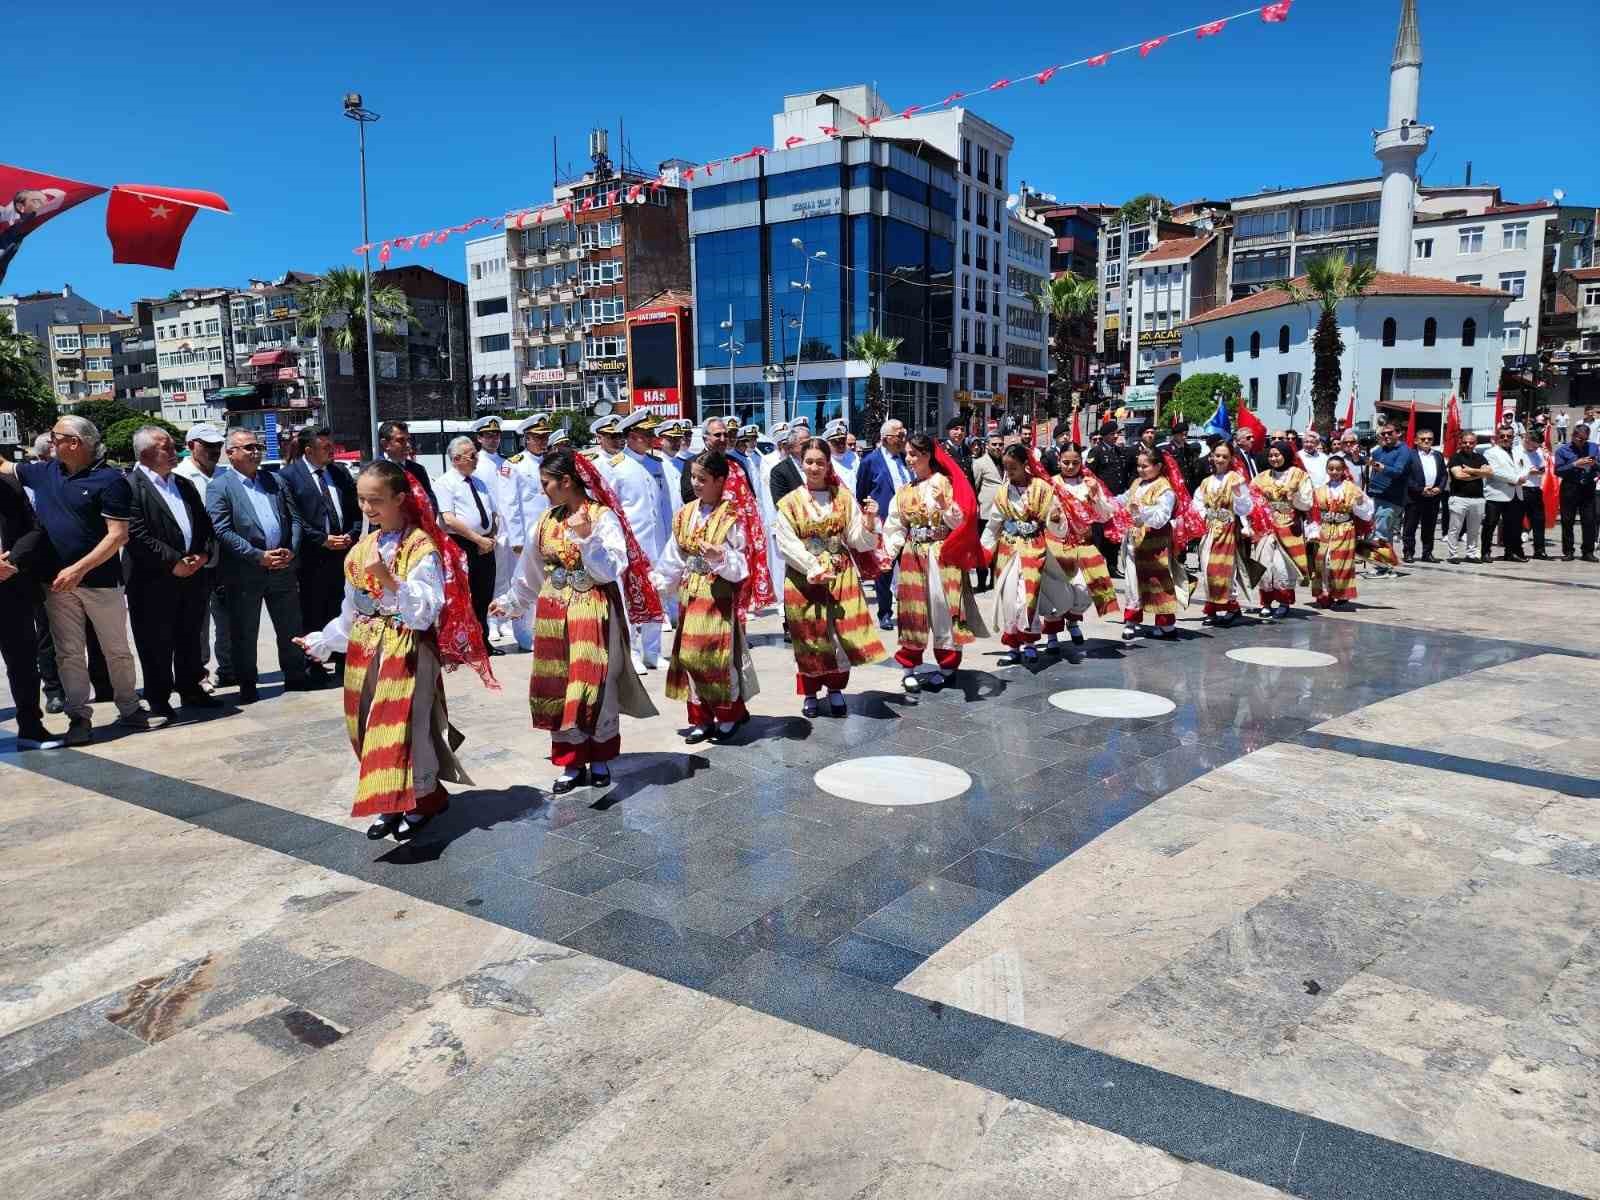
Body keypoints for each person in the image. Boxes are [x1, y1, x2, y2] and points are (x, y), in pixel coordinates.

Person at [295, 460, 493, 840]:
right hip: (366, 650)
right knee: (369, 725)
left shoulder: (421, 546)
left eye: (376, 501)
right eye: (361, 500)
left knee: (407, 726)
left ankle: (422, 800)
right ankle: (390, 799)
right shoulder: (361, 549)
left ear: (400, 499)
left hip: (407, 649)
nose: (367, 509)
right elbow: (353, 611)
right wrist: (322, 640)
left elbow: (424, 610)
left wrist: (388, 578)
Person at [490, 447, 660, 792]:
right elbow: (531, 572)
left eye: (547, 482)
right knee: (558, 685)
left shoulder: (601, 518)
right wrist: (511, 602)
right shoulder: (546, 521)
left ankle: (598, 757)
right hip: (554, 614)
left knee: (593, 684)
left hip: (592, 610)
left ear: (566, 481)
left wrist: (585, 539)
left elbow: (610, 570)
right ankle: (570, 761)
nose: (543, 490)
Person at [2, 416, 149, 744]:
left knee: (116, 649)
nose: (50, 441)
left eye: (56, 436)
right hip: (56, 583)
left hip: (100, 581)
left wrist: (79, 569)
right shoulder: (42, 471)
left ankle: (129, 708)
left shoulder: (110, 480)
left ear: (76, 443)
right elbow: (4, 467)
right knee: (68, 652)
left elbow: (117, 536)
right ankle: (78, 716)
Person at [649, 449, 772, 742]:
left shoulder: (732, 515)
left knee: (717, 658)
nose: (696, 484)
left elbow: (742, 563)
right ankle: (701, 717)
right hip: (692, 594)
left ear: (720, 480)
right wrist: (661, 581)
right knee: (691, 657)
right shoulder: (685, 514)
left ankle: (728, 714)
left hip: (718, 597)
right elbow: (675, 553)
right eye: (693, 477)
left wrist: (721, 557)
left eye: (702, 478)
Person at [774, 438, 886, 716]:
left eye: (820, 462)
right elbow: (787, 544)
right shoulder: (789, 503)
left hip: (841, 574)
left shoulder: (843, 498)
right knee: (809, 636)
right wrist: (813, 567)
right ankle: (810, 693)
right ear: (801, 463)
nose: (814, 467)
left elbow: (858, 540)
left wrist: (870, 522)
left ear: (828, 465)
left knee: (839, 636)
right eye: (809, 461)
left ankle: (835, 688)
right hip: (804, 578)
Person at [207, 427, 314, 703]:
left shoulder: (275, 481)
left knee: (290, 626)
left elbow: (295, 519)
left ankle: (296, 676)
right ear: (230, 454)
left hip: (282, 567)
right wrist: (257, 555)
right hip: (245, 571)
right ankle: (248, 684)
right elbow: (222, 530)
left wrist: (291, 549)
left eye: (257, 447)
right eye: (248, 448)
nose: (255, 452)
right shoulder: (220, 486)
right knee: (244, 631)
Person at [124, 426, 219, 718]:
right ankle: (159, 697)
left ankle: (191, 688)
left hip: (192, 576)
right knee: (156, 643)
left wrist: (203, 554)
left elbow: (203, 524)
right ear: (146, 453)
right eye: (166, 447)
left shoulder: (183, 484)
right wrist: (174, 561)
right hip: (153, 580)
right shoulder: (129, 487)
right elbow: (136, 534)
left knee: (190, 636)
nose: (174, 450)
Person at [880, 434, 986, 692]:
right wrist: (887, 555)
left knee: (942, 608)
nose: (909, 459)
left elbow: (962, 522)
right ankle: (909, 667)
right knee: (912, 609)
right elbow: (895, 526)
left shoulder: (945, 484)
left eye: (914, 454)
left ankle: (947, 666)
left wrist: (945, 505)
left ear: (929, 456)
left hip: (942, 554)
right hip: (912, 554)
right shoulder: (905, 491)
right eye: (907, 453)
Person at [281, 426, 360, 679]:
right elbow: (294, 517)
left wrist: (351, 534)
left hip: (343, 553)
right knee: (313, 609)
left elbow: (355, 510)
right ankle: (313, 662)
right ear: (308, 450)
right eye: (325, 448)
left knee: (343, 607)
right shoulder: (289, 476)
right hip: (313, 556)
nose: (331, 451)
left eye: (331, 446)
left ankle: (343, 658)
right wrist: (322, 539)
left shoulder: (339, 473)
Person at [983, 445, 1074, 661]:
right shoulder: (1002, 492)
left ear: (1025, 465)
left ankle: (1029, 642)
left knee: (1027, 597)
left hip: (1034, 549)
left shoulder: (1042, 488)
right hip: (1008, 550)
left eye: (1013, 467)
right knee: (1008, 599)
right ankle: (1012, 647)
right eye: (1005, 468)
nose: (1009, 472)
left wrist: (1054, 520)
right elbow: (993, 524)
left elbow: (1057, 519)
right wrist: (984, 550)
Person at [1, 464, 60, 748]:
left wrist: (12, 561)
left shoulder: (10, 487)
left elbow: (35, 528)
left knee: (23, 662)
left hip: (11, 586)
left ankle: (31, 726)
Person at [174, 422, 233, 687]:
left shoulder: (226, 474)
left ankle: (229, 667)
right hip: (195, 559)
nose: (213, 451)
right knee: (197, 622)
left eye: (217, 446)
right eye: (207, 446)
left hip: (228, 557)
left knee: (229, 616)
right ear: (190, 447)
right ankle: (199, 674)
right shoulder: (178, 477)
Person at [1118, 447, 1195, 641]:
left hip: (1156, 544)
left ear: (1158, 466)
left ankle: (1165, 624)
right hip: (1134, 541)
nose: (1141, 470)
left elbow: (1161, 517)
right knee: (1132, 581)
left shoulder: (1165, 488)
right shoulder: (1137, 483)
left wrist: (1141, 511)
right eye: (1138, 466)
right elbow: (1123, 500)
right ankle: (1131, 620)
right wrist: (1101, 499)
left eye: (1145, 466)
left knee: (1159, 581)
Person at [434, 435, 501, 651]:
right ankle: (461, 643)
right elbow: (448, 518)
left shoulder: (478, 481)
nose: (476, 459)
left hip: (485, 544)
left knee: (484, 593)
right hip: (462, 544)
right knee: (463, 595)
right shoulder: (446, 483)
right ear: (456, 459)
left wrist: (490, 536)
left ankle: (482, 640)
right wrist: (478, 539)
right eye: (471, 455)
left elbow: (491, 512)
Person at [471, 416, 532, 644]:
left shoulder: (507, 463)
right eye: (488, 435)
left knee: (510, 575)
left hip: (510, 526)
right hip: (490, 527)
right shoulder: (476, 464)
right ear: (479, 438)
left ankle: (505, 618)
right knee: (491, 577)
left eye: (496, 435)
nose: (493, 439)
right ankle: (491, 620)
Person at [1049, 445, 1122, 631]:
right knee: (1056, 590)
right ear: (1059, 461)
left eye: (1075, 462)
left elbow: (1106, 515)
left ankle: (1073, 619)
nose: (1070, 466)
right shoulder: (1050, 484)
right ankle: (1052, 635)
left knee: (1086, 589)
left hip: (1085, 543)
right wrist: (1051, 516)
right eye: (1066, 462)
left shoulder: (1089, 483)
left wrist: (1096, 496)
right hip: (1057, 543)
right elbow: (1041, 511)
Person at [1190, 443, 1256, 627]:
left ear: (1231, 459)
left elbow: (1246, 508)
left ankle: (1231, 607)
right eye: (1217, 455)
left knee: (1226, 571)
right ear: (1212, 456)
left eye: (1224, 456)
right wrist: (1205, 515)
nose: (1220, 459)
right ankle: (1212, 606)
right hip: (1210, 530)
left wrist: (1239, 496)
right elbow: (1198, 503)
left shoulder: (1236, 479)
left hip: (1228, 530)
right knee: (1207, 569)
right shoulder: (1206, 481)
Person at [855, 418, 910, 632]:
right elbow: (862, 493)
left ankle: (909, 611)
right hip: (885, 524)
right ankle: (885, 613)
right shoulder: (871, 461)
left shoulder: (907, 458)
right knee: (884, 571)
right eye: (899, 436)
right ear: (886, 438)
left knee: (909, 570)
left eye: (904, 435)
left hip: (909, 523)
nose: (903, 439)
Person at [1251, 439, 1313, 619]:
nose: (1274, 458)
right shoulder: (1261, 477)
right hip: (1266, 528)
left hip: (1289, 527)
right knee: (1264, 564)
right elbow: (1252, 498)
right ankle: (1266, 602)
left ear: (1286, 455)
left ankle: (1284, 602)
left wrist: (1295, 497)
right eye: (1270, 455)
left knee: (1282, 567)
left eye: (1277, 455)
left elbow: (1308, 503)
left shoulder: (1299, 475)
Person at [1310, 455, 1375, 608]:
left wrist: (1359, 502)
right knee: (1323, 562)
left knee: (1339, 563)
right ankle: (1325, 593)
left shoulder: (1351, 488)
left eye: (1338, 469)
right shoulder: (1320, 489)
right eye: (1331, 469)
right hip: (1325, 529)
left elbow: (1366, 512)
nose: (1334, 472)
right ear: (1327, 470)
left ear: (1343, 470)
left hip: (1344, 529)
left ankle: (1340, 594)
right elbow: (1313, 512)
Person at [1480, 425, 1529, 563]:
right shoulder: (1490, 452)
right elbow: (1494, 471)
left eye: (1509, 436)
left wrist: (1522, 477)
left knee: (1513, 525)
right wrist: (1514, 479)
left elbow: (1526, 467)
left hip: (1515, 493)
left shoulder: (1519, 451)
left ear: (1513, 437)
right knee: (1490, 525)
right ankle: (1485, 552)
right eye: (1502, 436)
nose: (1505, 438)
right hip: (1496, 494)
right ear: (1497, 437)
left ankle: (1511, 552)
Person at [1443, 432, 1492, 564]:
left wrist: (1470, 470)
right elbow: (1459, 475)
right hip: (1459, 498)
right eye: (1465, 442)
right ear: (1461, 442)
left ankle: (1471, 554)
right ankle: (1453, 555)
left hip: (1478, 499)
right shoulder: (1455, 458)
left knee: (1474, 530)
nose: (1468, 445)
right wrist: (1479, 473)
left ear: (1475, 443)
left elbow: (1490, 472)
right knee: (1455, 529)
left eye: (1471, 442)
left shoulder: (1480, 457)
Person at [1554, 423, 1598, 561]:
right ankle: (1568, 551)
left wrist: (1594, 464)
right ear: (1573, 436)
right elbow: (1558, 471)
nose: (1582, 442)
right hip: (1570, 488)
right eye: (1579, 439)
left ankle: (1588, 552)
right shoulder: (1562, 450)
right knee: (1567, 520)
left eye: (1585, 439)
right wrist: (1575, 464)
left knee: (1589, 521)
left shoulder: (1594, 447)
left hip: (1588, 487)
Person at [1403, 428, 1447, 563]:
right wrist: (1420, 489)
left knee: (1429, 527)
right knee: (1410, 527)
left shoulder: (1438, 455)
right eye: (1423, 439)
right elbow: (1405, 477)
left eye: (1430, 439)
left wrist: (1439, 488)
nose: (1427, 441)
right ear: (1416, 441)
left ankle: (1427, 553)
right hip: (1415, 497)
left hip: (1433, 498)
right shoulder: (1410, 455)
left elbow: (1444, 475)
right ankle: (1409, 553)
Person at [377, 421, 438, 514]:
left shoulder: (418, 470)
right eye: (401, 440)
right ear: (385, 444)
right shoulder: (373, 471)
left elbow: (431, 503)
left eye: (408, 440)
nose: (408, 445)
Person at [969, 436, 1003, 592]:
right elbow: (974, 487)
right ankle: (981, 583)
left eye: (1000, 444)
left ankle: (995, 581)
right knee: (983, 549)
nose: (998, 447)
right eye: (994, 444)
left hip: (1003, 513)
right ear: (987, 446)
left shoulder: (1006, 461)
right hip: (985, 513)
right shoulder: (979, 463)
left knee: (999, 550)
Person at [1519, 430, 1552, 560]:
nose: (1535, 448)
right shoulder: (1517, 451)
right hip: (1521, 488)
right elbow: (1516, 469)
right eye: (1534, 445)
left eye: (1537, 445)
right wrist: (1528, 471)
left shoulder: (1538, 452)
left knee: (1539, 521)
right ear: (1527, 440)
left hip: (1535, 489)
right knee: (1517, 521)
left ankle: (1540, 550)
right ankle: (1515, 549)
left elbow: (1542, 468)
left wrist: (1538, 470)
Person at [659, 419, 694, 512]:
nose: (676, 443)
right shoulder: (656, 465)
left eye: (678, 439)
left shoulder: (686, 464)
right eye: (672, 439)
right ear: (661, 440)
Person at [823, 420, 858, 494]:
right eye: (836, 443)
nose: (841, 445)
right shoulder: (824, 460)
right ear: (828, 443)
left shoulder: (853, 457)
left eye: (843, 442)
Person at [941, 417, 974, 485]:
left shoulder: (967, 449)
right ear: (949, 431)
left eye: (962, 429)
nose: (959, 432)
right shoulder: (942, 450)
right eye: (956, 429)